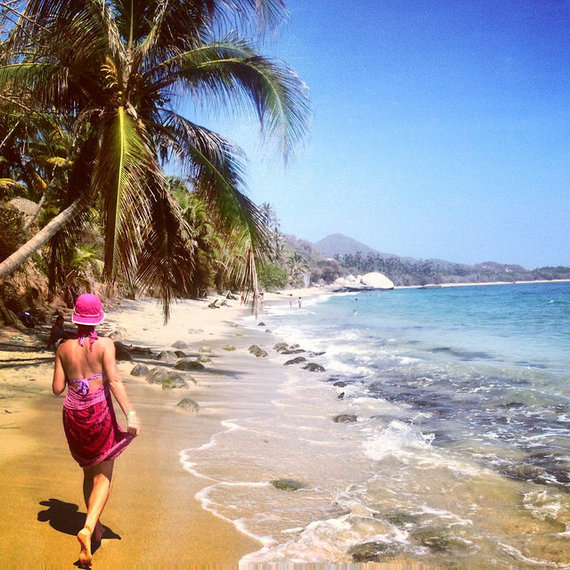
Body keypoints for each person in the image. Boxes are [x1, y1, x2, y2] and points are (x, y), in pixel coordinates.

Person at [52, 293, 140, 567]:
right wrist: (131, 413)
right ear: (98, 317)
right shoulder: (105, 345)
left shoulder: (63, 347)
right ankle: (88, 528)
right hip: (98, 415)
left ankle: (96, 526)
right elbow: (113, 382)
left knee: (89, 470)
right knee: (105, 476)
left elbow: (57, 389)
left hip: (73, 416)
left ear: (76, 318)